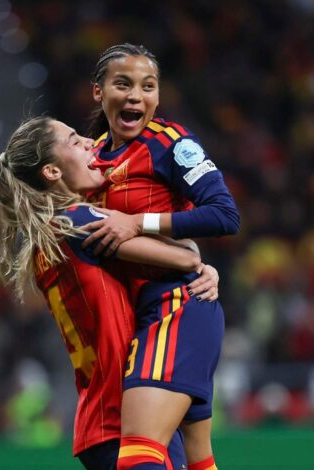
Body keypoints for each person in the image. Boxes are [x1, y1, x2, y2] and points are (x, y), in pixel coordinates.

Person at [0, 116, 221, 470]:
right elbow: (185, 257)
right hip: (126, 416)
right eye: (74, 140)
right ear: (51, 172)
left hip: (108, 417)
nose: (90, 144)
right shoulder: (81, 221)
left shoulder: (52, 236)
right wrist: (199, 266)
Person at [78, 43, 240, 470]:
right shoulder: (89, 160)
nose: (136, 96)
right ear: (98, 92)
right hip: (140, 316)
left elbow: (224, 214)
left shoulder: (169, 143)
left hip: (175, 305)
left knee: (138, 454)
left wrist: (138, 223)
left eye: (148, 87)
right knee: (196, 460)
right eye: (123, 84)